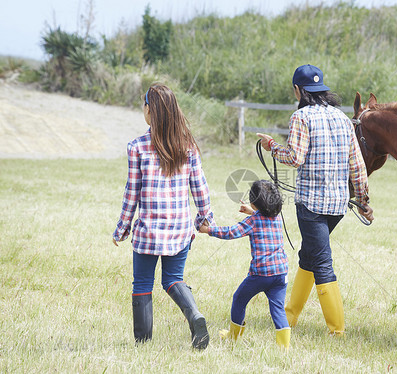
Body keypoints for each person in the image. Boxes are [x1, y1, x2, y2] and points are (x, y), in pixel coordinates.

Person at [257, 64, 373, 336]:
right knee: (309, 255)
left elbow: (295, 158)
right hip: (338, 206)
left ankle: (337, 330)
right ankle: (289, 316)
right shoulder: (343, 118)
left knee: (321, 261)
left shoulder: (301, 117)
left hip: (311, 205)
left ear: (299, 90)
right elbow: (357, 164)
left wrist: (272, 147)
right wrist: (363, 199)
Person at [112, 84, 214, 349]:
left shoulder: (137, 147)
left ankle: (143, 344)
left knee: (143, 283)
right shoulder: (187, 144)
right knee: (173, 280)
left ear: (150, 110)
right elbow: (200, 187)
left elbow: (131, 193)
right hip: (180, 230)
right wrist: (205, 217)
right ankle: (194, 315)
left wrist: (122, 228)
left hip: (148, 232)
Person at [199, 180, 291, 348]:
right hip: (280, 272)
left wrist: (208, 230)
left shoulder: (253, 222)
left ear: (254, 202)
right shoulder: (276, 217)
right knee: (278, 309)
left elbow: (231, 232)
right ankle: (284, 347)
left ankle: (233, 337)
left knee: (239, 299)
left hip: (261, 274)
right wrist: (252, 211)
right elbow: (263, 219)